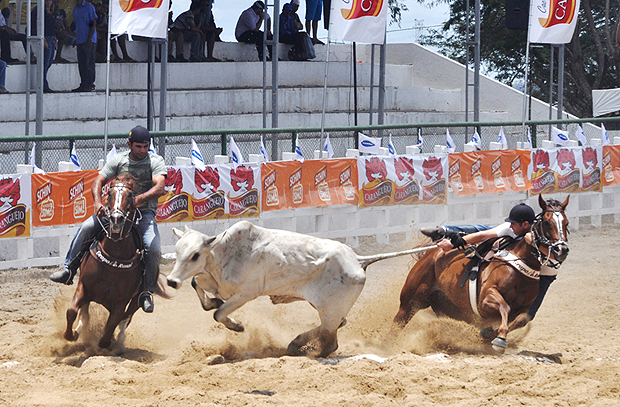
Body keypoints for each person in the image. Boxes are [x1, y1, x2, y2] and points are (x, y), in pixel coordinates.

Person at [49, 126, 167, 313]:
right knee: (87, 226)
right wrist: (97, 203)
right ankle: (69, 267)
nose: (142, 150)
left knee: (153, 248)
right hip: (115, 210)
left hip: (143, 213)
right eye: (138, 146)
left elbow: (160, 186)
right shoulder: (118, 160)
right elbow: (98, 181)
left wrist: (136, 201)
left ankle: (146, 292)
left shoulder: (155, 161)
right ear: (129, 144)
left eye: (145, 146)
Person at [421, 203, 557, 320]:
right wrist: (455, 244)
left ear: (526, 224)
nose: (510, 225)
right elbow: (482, 235)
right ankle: (443, 230)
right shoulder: (508, 228)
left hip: (543, 271)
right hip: (500, 235)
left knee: (529, 314)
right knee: (482, 229)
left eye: (513, 223)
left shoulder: (534, 234)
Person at [31, 0, 57, 93]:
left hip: (51, 38)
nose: (48, 2)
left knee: (49, 62)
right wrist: (44, 40)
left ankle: (43, 84)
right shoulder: (39, 11)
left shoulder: (52, 12)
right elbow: (38, 24)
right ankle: (43, 85)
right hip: (45, 38)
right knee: (45, 63)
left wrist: (54, 38)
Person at [72, 0, 97, 92]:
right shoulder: (75, 9)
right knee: (82, 63)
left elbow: (93, 22)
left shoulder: (89, 7)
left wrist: (90, 38)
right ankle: (83, 83)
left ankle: (90, 84)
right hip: (80, 40)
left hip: (88, 39)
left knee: (89, 62)